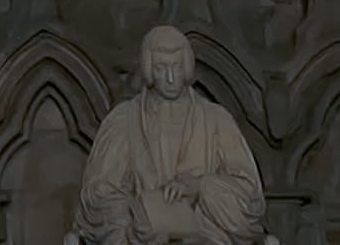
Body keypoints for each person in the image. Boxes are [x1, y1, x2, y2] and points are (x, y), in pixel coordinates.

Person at [71, 27, 264, 245]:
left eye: (177, 67)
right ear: (148, 69)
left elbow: (248, 196)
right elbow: (100, 197)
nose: (171, 78)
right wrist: (133, 228)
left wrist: (200, 187)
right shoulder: (123, 121)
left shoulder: (217, 120)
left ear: (188, 67)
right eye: (162, 68)